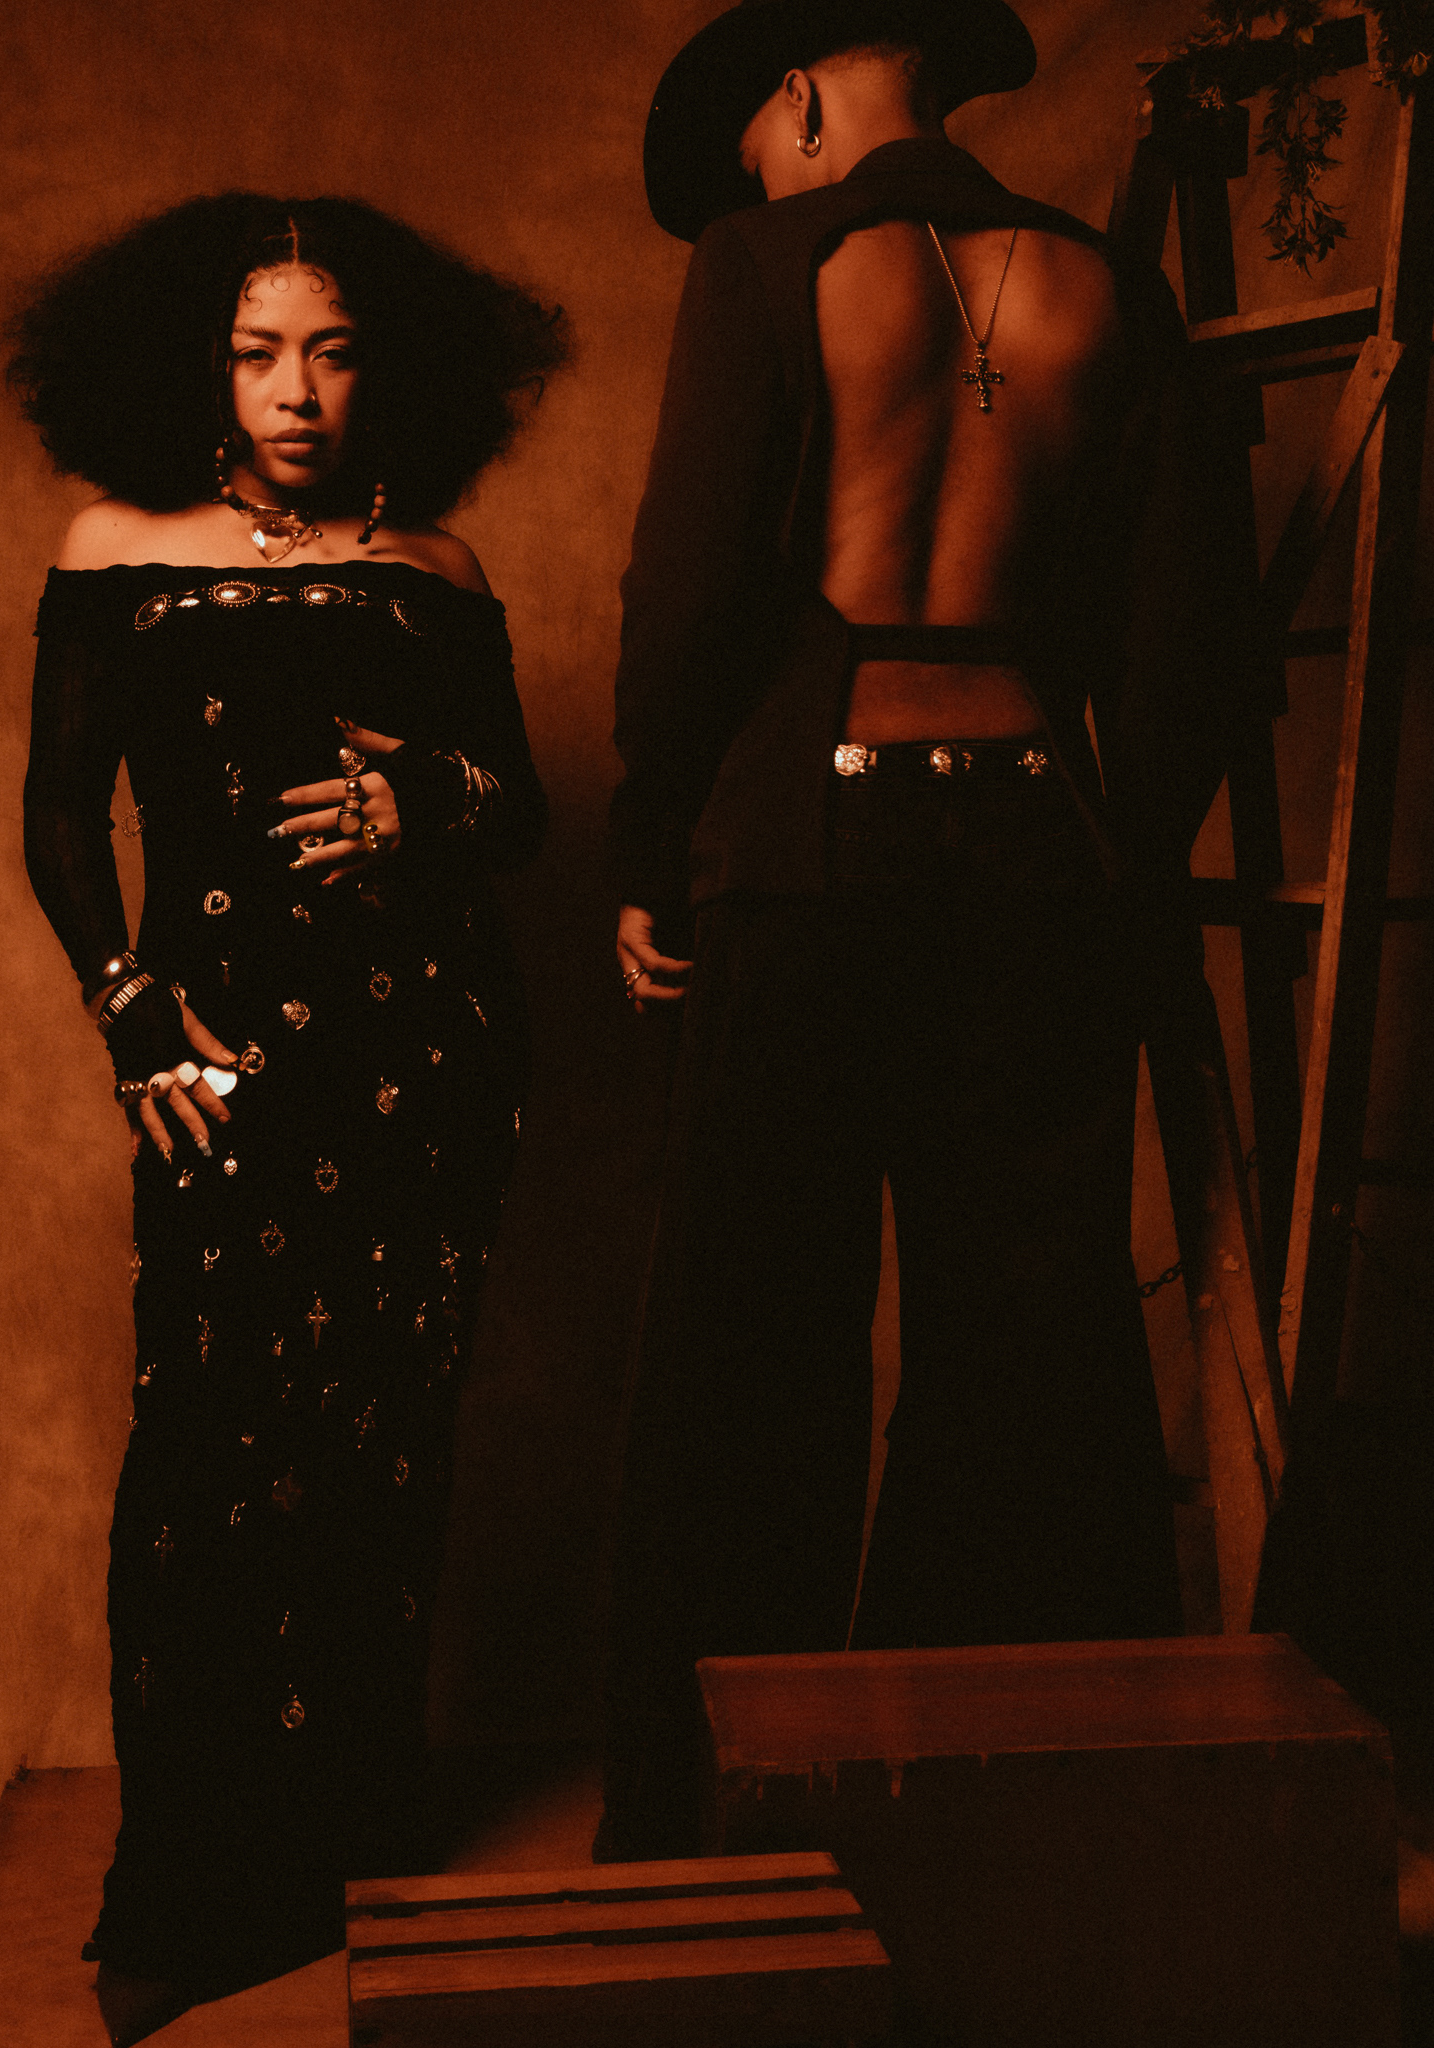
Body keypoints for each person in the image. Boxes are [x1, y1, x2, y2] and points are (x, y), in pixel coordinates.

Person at [602, 0, 1234, 1859]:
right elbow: (1183, 636)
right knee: (1026, 1345)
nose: (763, 179)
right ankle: (1009, 1831)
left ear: (800, 98)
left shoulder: (764, 264)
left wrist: (653, 845)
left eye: (759, 150)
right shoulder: (1112, 283)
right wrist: (1120, 855)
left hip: (808, 862)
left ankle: (719, 1830)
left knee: (752, 1340)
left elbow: (687, 593)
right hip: (1038, 862)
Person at [12, 192, 566, 2033]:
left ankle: (350, 1839)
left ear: (384, 367)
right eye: (258, 354)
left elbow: (516, 809)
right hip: (222, 1063)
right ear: (199, 367)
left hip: (426, 1053)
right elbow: (60, 815)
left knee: (380, 1448)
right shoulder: (116, 549)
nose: (297, 391)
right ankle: (193, 1884)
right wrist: (130, 1016)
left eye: (330, 351)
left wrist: (428, 802)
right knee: (207, 1449)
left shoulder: (439, 566)